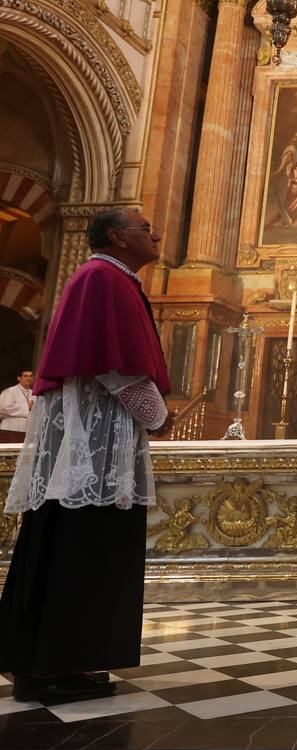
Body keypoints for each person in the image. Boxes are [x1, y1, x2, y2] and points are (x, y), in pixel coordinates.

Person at [0, 207, 173, 702]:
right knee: (80, 548)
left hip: (91, 447)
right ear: (118, 237)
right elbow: (116, 368)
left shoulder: (105, 278)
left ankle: (61, 662)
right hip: (90, 449)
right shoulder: (104, 281)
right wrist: (159, 417)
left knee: (78, 548)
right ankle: (47, 668)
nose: (155, 234)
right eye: (145, 228)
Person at [0, 370, 35, 441]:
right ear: (19, 378)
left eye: (31, 376)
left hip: (27, 430)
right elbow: (3, 408)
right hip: (10, 429)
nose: (29, 378)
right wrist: (26, 406)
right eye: (25, 376)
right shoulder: (10, 391)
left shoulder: (34, 393)